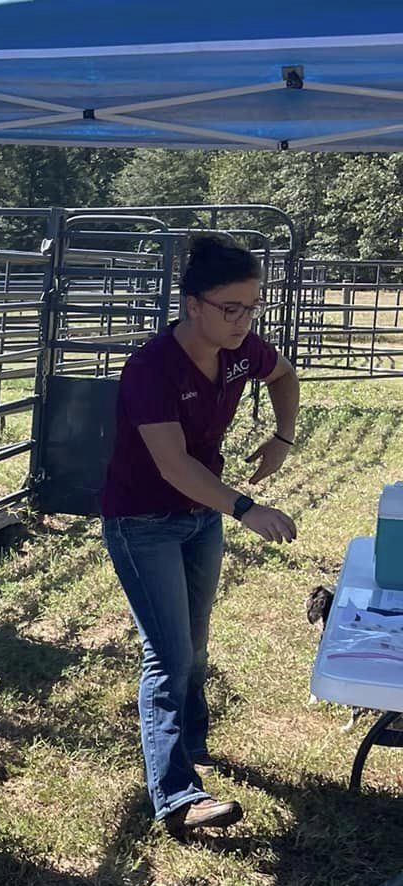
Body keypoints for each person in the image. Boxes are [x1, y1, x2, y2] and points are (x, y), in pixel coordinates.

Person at [99, 233, 300, 836]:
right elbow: (173, 465)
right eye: (230, 308)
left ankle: (190, 741)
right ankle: (179, 796)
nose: (244, 320)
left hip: (198, 517)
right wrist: (245, 507)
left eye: (253, 305)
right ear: (192, 305)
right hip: (143, 520)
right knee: (168, 653)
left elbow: (285, 376)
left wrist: (282, 438)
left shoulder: (243, 352)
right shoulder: (150, 369)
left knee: (196, 642)